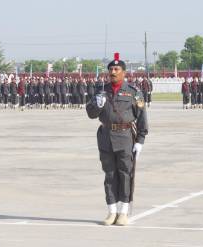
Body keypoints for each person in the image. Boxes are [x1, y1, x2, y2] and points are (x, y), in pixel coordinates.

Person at [85, 53, 148, 226]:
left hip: (125, 137)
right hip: (106, 137)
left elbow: (142, 117)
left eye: (116, 69)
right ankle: (112, 211)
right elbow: (90, 114)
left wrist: (140, 140)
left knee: (125, 174)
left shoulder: (134, 92)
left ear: (123, 72)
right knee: (110, 175)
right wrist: (96, 105)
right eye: (111, 69)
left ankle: (123, 212)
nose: (113, 72)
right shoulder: (101, 90)